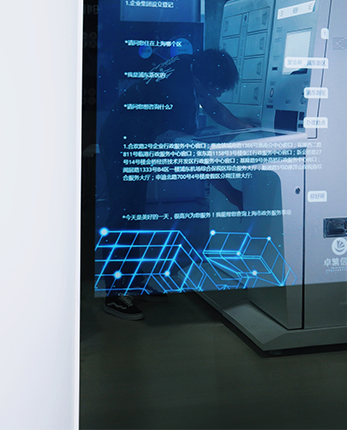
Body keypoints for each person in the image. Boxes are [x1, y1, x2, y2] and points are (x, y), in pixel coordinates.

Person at [97, 49, 249, 320]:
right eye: (215, 89)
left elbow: (212, 105)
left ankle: (133, 281)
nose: (217, 94)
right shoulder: (179, 97)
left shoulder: (189, 62)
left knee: (133, 213)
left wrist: (246, 130)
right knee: (124, 214)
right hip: (123, 142)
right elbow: (196, 159)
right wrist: (231, 193)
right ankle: (116, 295)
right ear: (200, 81)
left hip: (131, 133)